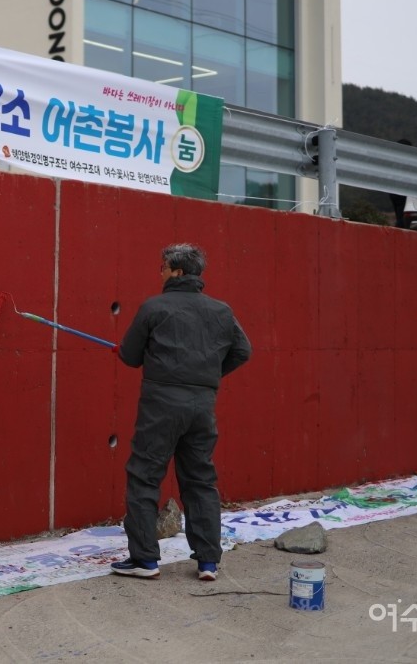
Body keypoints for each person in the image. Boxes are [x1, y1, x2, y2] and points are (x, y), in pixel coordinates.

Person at [111, 244, 251, 582]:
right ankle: (207, 561)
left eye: (162, 267)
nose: (159, 273)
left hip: (161, 404)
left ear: (176, 271)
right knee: (200, 478)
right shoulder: (221, 310)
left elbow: (129, 357)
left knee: (145, 475)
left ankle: (145, 559)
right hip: (202, 407)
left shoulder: (154, 307)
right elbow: (242, 351)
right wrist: (208, 376)